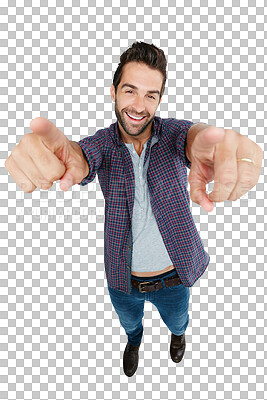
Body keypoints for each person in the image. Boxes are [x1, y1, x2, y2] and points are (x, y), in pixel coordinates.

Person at [4, 41, 262, 377]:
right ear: (113, 93)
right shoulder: (102, 143)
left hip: (175, 276)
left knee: (178, 319)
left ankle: (178, 337)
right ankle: (134, 341)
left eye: (151, 95)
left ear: (159, 99)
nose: (139, 106)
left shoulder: (173, 134)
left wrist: (206, 143)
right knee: (130, 324)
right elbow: (82, 158)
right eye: (130, 91)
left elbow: (194, 137)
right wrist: (68, 159)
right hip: (122, 279)